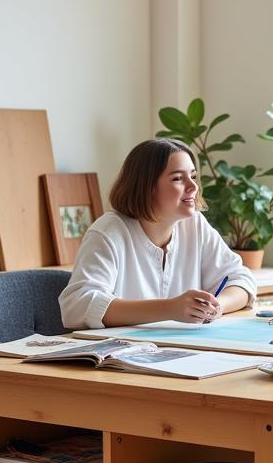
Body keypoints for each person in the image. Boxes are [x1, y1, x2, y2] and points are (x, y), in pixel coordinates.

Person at [60, 138, 255, 330]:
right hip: (121, 355)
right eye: (178, 178)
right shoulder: (109, 232)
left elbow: (240, 280)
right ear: (148, 187)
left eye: (193, 176)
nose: (193, 186)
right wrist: (170, 308)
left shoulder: (194, 224)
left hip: (181, 351)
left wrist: (216, 307)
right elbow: (78, 307)